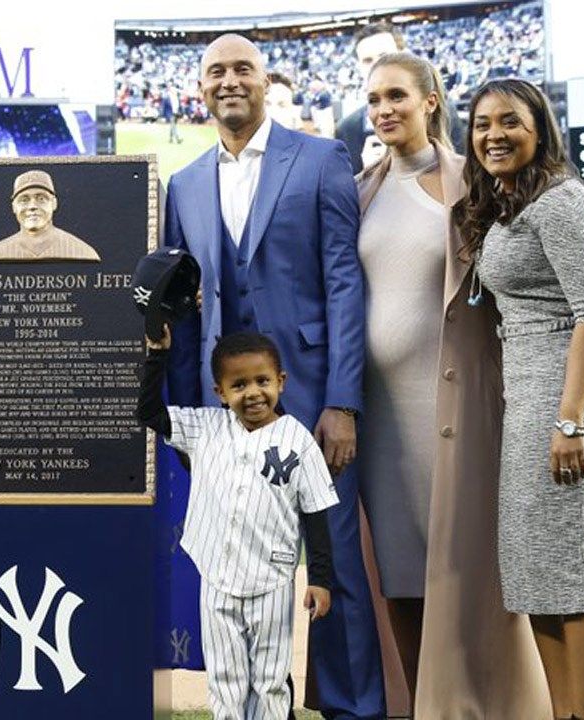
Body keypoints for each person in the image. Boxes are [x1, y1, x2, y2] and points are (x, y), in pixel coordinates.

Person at [164, 33, 383, 719]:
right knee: (236, 569)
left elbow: (346, 284)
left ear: (265, 82)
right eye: (215, 72)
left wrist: (343, 401)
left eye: (243, 70)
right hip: (223, 410)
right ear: (200, 89)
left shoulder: (321, 160)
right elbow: (186, 308)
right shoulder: (184, 184)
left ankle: (353, 709)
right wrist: (185, 413)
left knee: (335, 561)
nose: (229, 81)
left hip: (313, 395)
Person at [355, 53, 551, 717]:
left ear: (432, 99)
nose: (385, 110)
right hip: (379, 416)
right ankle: (416, 703)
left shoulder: (476, 181)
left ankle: (489, 702)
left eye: (397, 97)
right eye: (375, 98)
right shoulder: (361, 187)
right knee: (399, 572)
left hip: (459, 400)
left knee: (468, 572)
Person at [457, 78, 584, 720]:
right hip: (530, 385)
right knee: (538, 566)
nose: (494, 134)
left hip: (563, 388)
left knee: (571, 564)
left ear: (539, 128)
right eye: (482, 123)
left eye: (510, 122)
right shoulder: (509, 203)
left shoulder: (558, 200)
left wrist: (570, 419)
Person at [139, 329, 336, 719]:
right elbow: (149, 413)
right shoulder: (206, 428)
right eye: (239, 384)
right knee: (226, 678)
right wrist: (158, 354)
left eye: (262, 380)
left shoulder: (298, 441)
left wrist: (320, 578)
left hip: (273, 579)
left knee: (269, 681)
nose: (253, 393)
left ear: (280, 381)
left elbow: (316, 513)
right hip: (217, 577)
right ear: (220, 392)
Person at [335, 22, 466, 174]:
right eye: (367, 60)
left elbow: (466, 176)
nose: (377, 65)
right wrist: (368, 176)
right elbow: (346, 194)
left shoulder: (443, 110)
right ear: (358, 67)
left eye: (385, 56)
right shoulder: (347, 129)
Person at [0, 170, 101, 263]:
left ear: (54, 203)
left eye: (41, 199)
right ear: (14, 207)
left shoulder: (81, 251)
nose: (32, 206)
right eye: (24, 200)